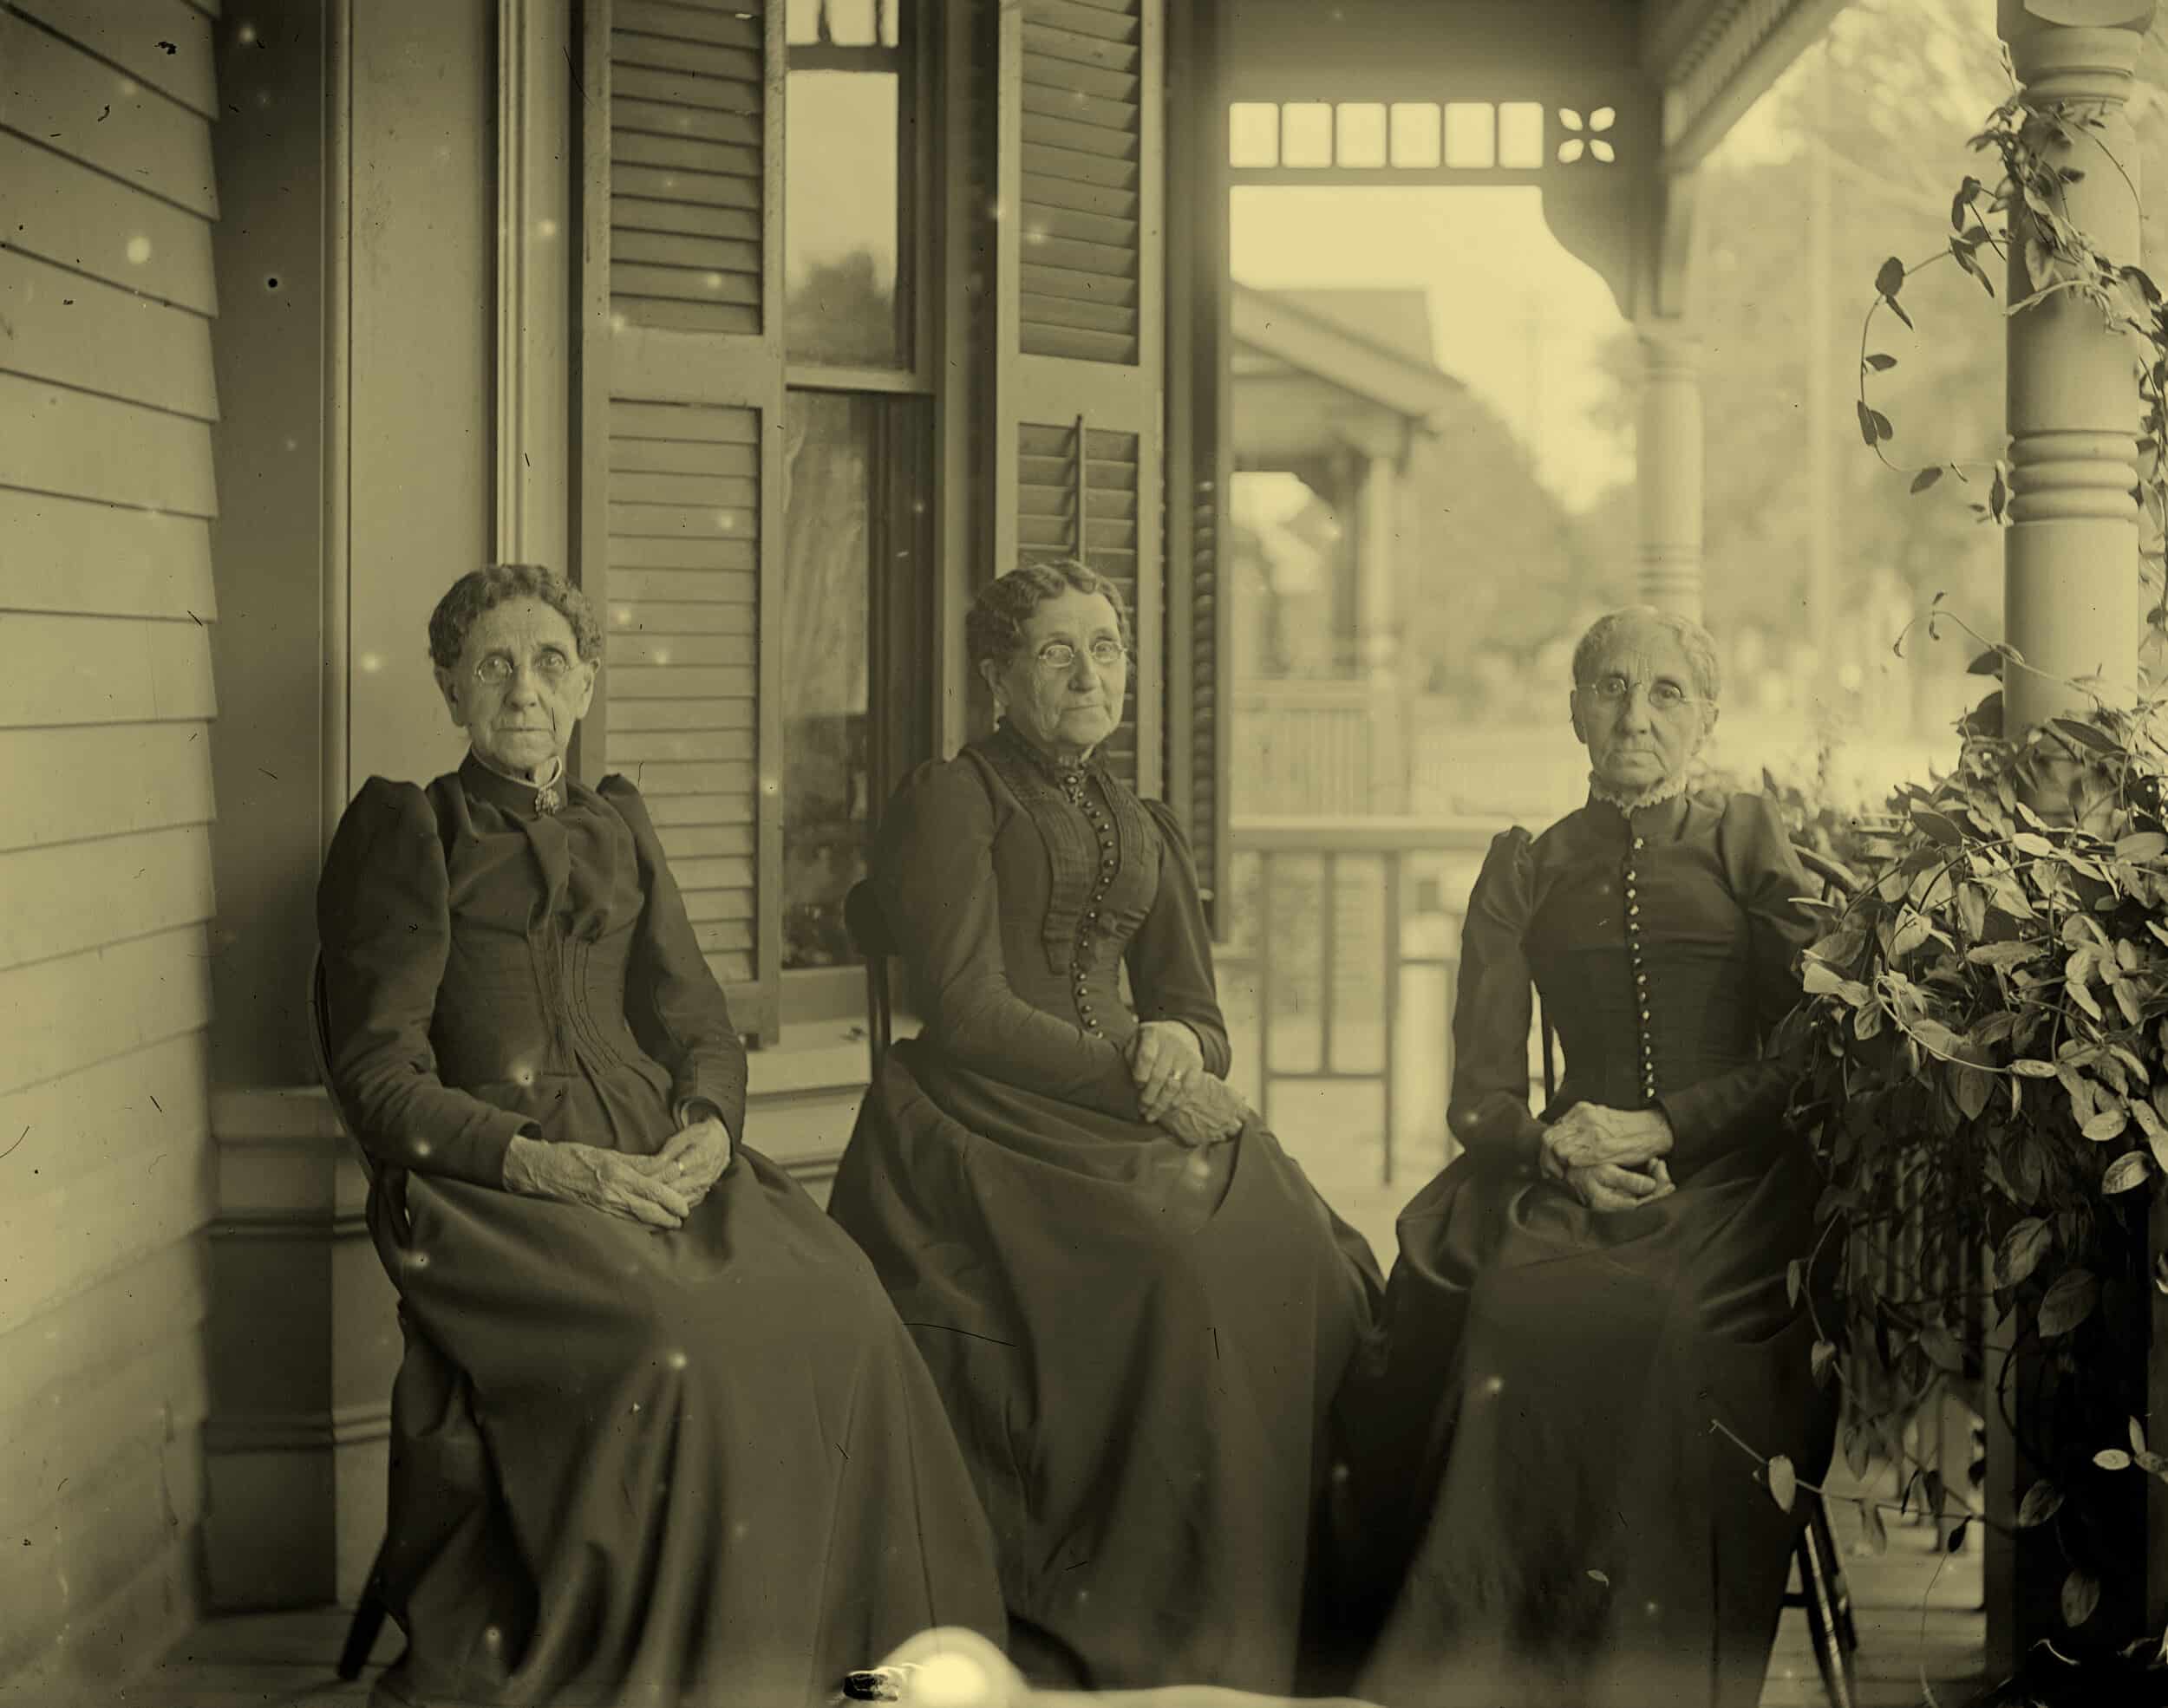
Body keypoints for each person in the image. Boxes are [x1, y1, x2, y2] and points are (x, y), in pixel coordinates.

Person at [317, 564, 1004, 1708]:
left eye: (548, 663)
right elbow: (377, 1072)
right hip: (495, 1182)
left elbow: (698, 1023)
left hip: (653, 1149)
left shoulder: (617, 823)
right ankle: (691, 1660)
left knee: (844, 1301)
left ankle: (837, 1653)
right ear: (448, 686)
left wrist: (707, 1123)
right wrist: (544, 1161)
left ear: (586, 682)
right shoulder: (411, 830)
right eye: (492, 664)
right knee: (676, 1337)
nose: (522, 690)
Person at [826, 560, 1381, 1695]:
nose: (1091, 672)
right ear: (995, 674)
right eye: (1056, 650)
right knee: (1185, 1262)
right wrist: (1142, 1070)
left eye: (1110, 647)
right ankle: (1162, 1622)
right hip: (980, 1120)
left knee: (1304, 1248)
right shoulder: (955, 798)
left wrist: (1180, 1048)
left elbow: (1200, 1012)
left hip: (1130, 1108)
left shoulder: (1138, 816)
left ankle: (1280, 1612)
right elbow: (970, 1011)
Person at [1338, 606, 1837, 1708]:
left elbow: (1813, 1049)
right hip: (1563, 1170)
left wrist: (1667, 1125)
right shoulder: (1526, 865)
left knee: (1664, 1323)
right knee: (1512, 1310)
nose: (1634, 714)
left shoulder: (1745, 837)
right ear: (1572, 709)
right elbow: (1479, 1092)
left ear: (1706, 716)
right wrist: (1554, 1147)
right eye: (1609, 686)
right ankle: (1495, 1670)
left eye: (1665, 692)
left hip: (1732, 1177)